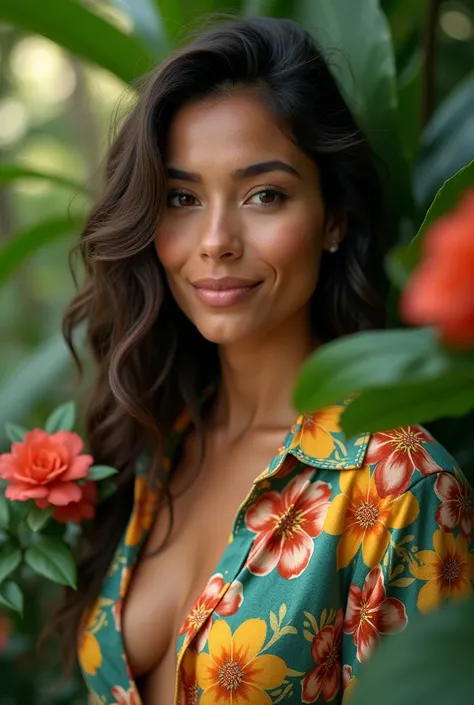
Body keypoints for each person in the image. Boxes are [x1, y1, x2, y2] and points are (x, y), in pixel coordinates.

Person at [57, 16, 474, 705]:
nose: (216, 240)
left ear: (334, 216)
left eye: (264, 195)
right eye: (182, 198)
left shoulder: (401, 486)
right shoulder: (153, 443)